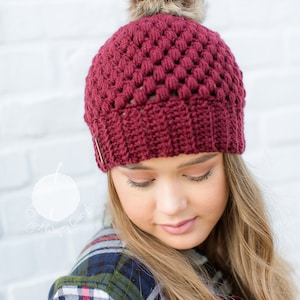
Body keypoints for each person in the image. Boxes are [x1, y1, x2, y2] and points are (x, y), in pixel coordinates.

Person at [48, 0, 297, 299]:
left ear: (229, 164)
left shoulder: (225, 249)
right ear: (112, 174)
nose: (172, 206)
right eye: (142, 181)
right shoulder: (107, 288)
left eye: (197, 174)